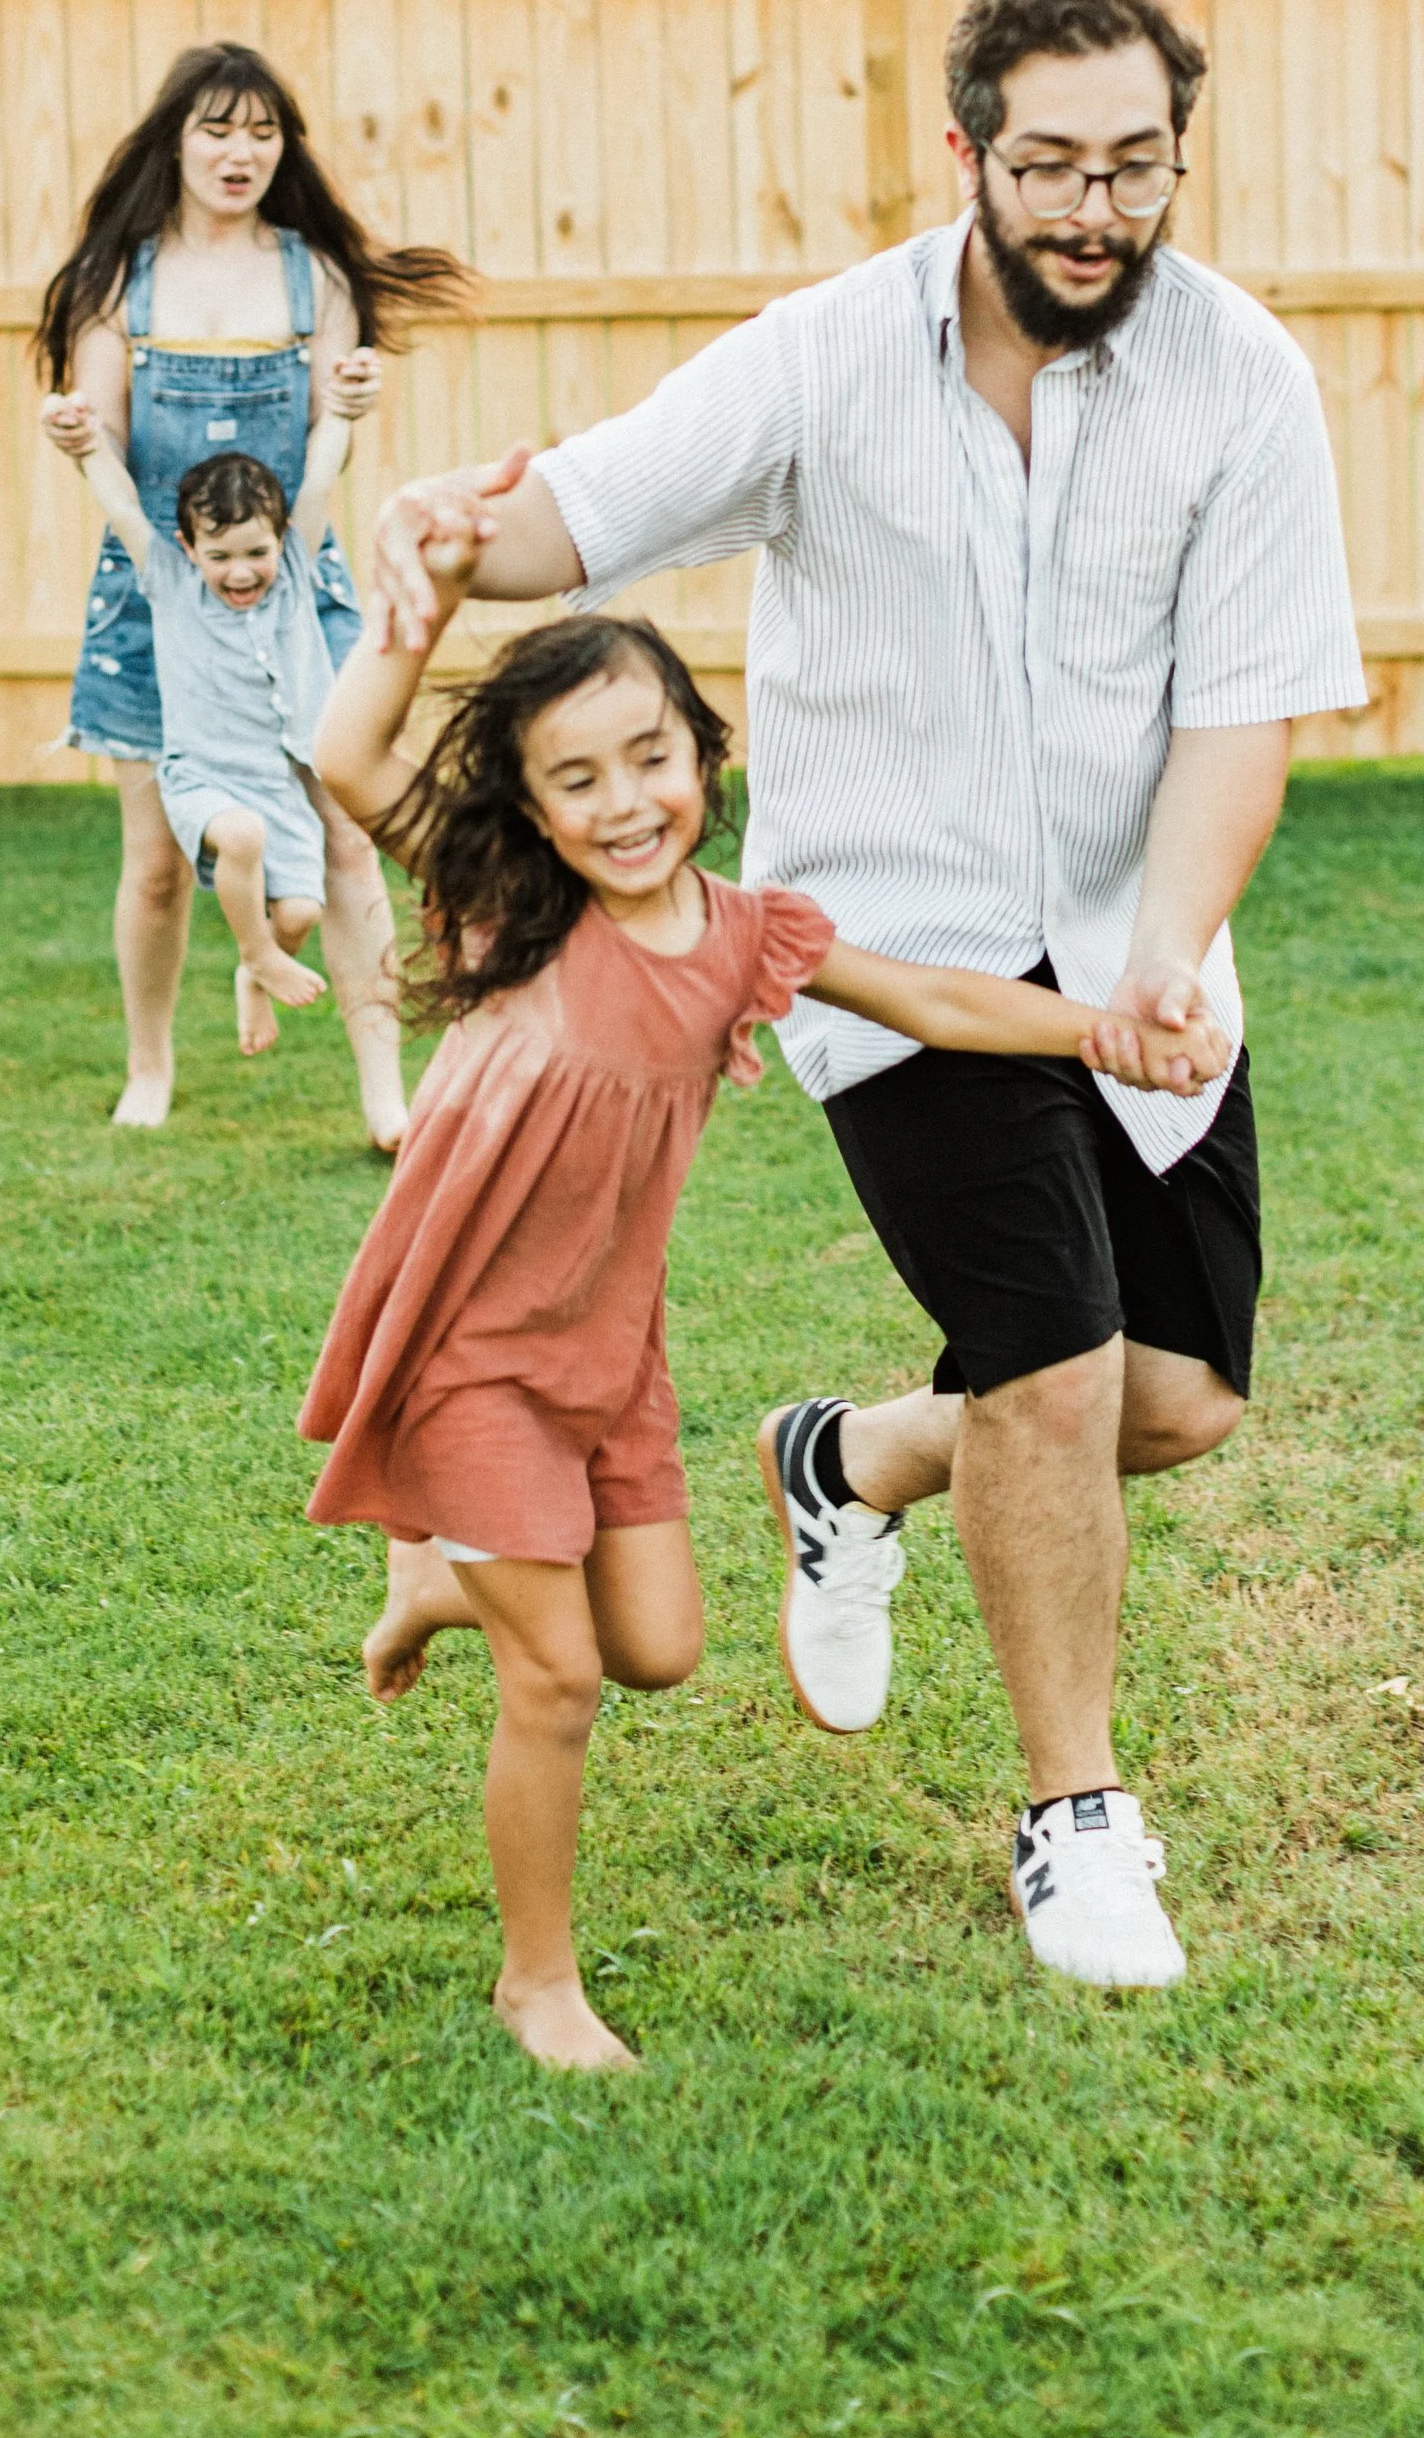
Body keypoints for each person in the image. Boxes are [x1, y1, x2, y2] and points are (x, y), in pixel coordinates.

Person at [362, 0, 1369, 1992]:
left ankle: (840, 1461)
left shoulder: (1238, 378)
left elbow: (1242, 710)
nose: (1093, 210)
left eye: (1136, 168)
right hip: (885, 960)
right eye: (1050, 164)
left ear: (1178, 160)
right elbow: (586, 509)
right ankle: (1074, 1820)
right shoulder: (825, 359)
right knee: (1053, 1365)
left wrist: (1167, 947)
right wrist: (442, 525)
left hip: (1127, 959)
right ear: (966, 152)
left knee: (1167, 1405)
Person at [302, 520, 1225, 2071]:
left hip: (609, 1356)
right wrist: (425, 600)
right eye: (573, 778)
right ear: (526, 807)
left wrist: (1100, 1033)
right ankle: (538, 1981)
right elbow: (345, 751)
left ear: (704, 751)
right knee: (567, 1680)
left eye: (646, 755)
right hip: (476, 1353)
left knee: (657, 1644)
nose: (621, 801)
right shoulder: (512, 912)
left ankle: (454, 1574)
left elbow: (926, 996)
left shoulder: (743, 934)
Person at [36, 40, 468, 1140]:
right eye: (217, 130)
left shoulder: (309, 275)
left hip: (296, 587)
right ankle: (149, 1068)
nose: (241, 152)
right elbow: (102, 446)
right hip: (158, 601)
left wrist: (352, 407)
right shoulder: (114, 278)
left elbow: (330, 431)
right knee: (157, 864)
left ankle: (384, 1094)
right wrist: (73, 434)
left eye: (263, 132)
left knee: (344, 839)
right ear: (175, 141)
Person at [42, 397, 349, 1064]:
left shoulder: (295, 572)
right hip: (202, 776)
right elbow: (123, 509)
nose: (241, 571)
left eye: (256, 552)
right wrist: (91, 446)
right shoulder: (173, 585)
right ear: (189, 548)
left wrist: (344, 412)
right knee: (240, 835)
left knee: (300, 913)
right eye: (220, 555)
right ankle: (256, 953)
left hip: (276, 780)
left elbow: (321, 478)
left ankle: (256, 972)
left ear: (282, 538)